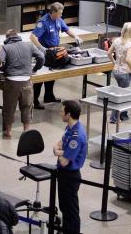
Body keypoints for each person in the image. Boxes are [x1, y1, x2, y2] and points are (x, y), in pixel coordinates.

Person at [30, 2, 83, 110]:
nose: (61, 15)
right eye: (59, 13)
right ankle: (34, 101)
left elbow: (66, 29)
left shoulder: (58, 20)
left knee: (52, 74)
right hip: (45, 52)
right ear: (53, 12)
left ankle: (49, 96)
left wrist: (75, 36)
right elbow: (33, 37)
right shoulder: (43, 22)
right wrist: (42, 48)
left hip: (55, 51)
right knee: (40, 77)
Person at [0, 29, 44, 138]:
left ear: (7, 38)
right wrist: (35, 69)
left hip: (11, 82)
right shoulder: (29, 45)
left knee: (9, 108)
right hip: (26, 81)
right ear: (17, 36)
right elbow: (41, 57)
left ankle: (8, 131)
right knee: (27, 106)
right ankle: (26, 131)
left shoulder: (6, 47)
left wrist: (5, 70)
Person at [52, 100, 87, 234]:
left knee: (71, 210)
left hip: (70, 176)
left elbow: (65, 161)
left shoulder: (77, 135)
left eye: (62, 111)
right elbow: (60, 143)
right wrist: (59, 150)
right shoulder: (70, 128)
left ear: (69, 114)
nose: (60, 113)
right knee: (64, 207)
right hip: (63, 174)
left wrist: (58, 152)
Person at [107, 22, 131, 123]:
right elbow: (129, 60)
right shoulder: (130, 45)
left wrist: (114, 62)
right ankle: (114, 117)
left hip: (116, 71)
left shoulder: (116, 40)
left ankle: (123, 115)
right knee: (122, 95)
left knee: (120, 92)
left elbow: (109, 52)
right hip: (125, 72)